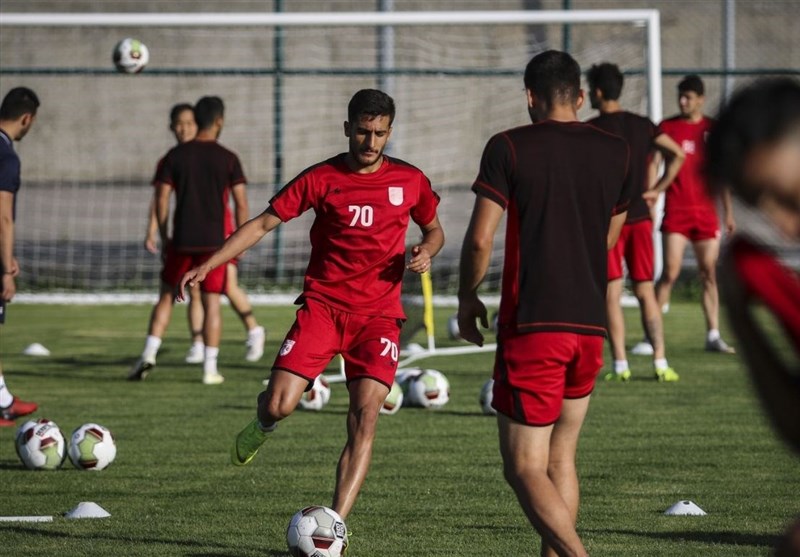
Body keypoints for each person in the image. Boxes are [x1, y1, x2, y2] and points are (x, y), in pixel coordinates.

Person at [179, 89, 443, 522]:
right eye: (362, 132)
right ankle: (263, 423)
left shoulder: (410, 180)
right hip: (323, 308)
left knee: (364, 418)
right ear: (347, 129)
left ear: (389, 132)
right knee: (280, 404)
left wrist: (427, 251)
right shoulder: (321, 178)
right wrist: (209, 264)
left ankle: (335, 526)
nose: (370, 142)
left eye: (379, 133)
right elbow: (263, 222)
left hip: (378, 317)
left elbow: (434, 230)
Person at [457, 51, 632, 557]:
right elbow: (609, 235)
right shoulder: (616, 151)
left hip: (534, 324)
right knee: (561, 461)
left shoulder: (508, 146)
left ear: (529, 97)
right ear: (581, 97)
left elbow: (479, 241)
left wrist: (468, 297)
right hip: (590, 326)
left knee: (524, 467)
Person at [706, 77, 800, 557]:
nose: (783, 224)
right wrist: (741, 319)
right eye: (759, 204)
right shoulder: (770, 275)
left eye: (780, 193)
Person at [129, 96, 250, 385]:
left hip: (182, 241)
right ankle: (210, 369)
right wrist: (241, 240)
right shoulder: (228, 157)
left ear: (196, 120)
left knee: (166, 299)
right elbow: (241, 202)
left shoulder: (174, 157)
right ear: (219, 121)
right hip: (215, 245)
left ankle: (149, 353)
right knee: (211, 304)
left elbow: (161, 198)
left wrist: (165, 234)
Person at [586, 62, 685, 382]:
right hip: (641, 217)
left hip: (609, 221)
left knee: (611, 293)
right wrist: (656, 191)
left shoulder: (592, 129)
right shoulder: (644, 125)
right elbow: (678, 155)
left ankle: (620, 365)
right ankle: (660, 361)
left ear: (598, 92)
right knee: (645, 290)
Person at [654, 74, 736, 354]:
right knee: (670, 273)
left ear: (700, 99)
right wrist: (652, 194)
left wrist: (728, 213)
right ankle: (651, 336)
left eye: (688, 96)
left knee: (709, 273)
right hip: (676, 212)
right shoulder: (667, 127)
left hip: (705, 214)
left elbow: (722, 175)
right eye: (680, 96)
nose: (683, 101)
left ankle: (713, 335)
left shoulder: (713, 130)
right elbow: (653, 164)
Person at [0, 87, 40, 427]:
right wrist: (5, 268)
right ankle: (2, 404)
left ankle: (2, 399)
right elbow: (3, 216)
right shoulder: (6, 156)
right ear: (26, 119)